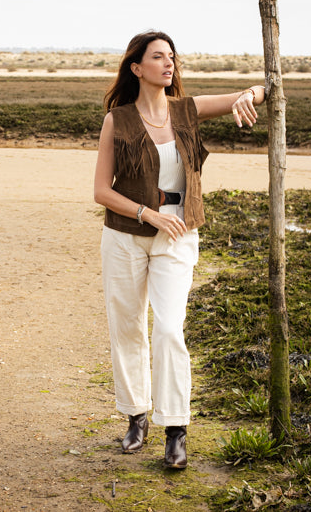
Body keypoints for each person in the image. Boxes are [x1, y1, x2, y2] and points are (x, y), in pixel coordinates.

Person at [93, 30, 265, 469]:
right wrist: (148, 214)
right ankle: (136, 415)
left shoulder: (187, 110)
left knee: (170, 328)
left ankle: (176, 428)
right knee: (127, 327)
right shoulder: (117, 119)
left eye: (171, 56)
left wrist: (250, 95)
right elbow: (101, 191)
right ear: (137, 68)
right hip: (126, 234)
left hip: (179, 233)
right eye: (158, 57)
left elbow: (261, 90)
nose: (168, 63)